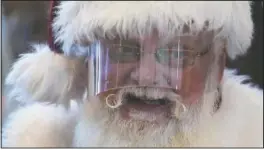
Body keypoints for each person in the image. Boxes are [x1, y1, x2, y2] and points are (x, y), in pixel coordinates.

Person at [2, 1, 263, 147]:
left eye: (177, 55)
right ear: (86, 63)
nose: (147, 77)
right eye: (121, 50)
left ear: (216, 67)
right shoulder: (37, 142)